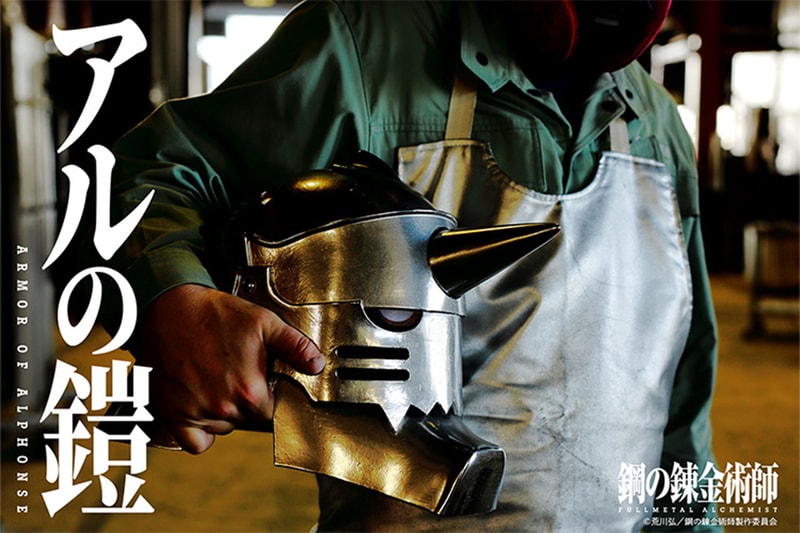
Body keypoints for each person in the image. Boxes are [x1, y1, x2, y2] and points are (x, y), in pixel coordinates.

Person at [106, 1, 719, 530]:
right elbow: (135, 183)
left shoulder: (656, 123)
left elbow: (678, 394)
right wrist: (175, 303)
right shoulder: (360, 50)